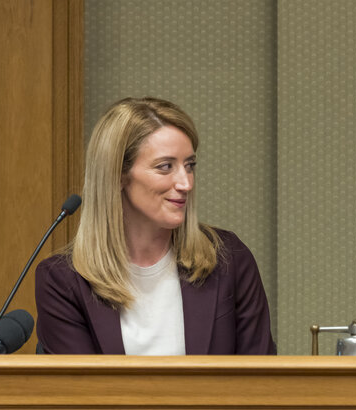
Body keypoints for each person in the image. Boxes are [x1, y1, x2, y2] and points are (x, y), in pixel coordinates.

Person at [35, 97, 276, 355]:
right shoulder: (63, 282)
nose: (186, 183)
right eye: (165, 167)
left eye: (189, 166)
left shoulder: (229, 259)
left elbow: (260, 381)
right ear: (118, 176)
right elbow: (81, 392)